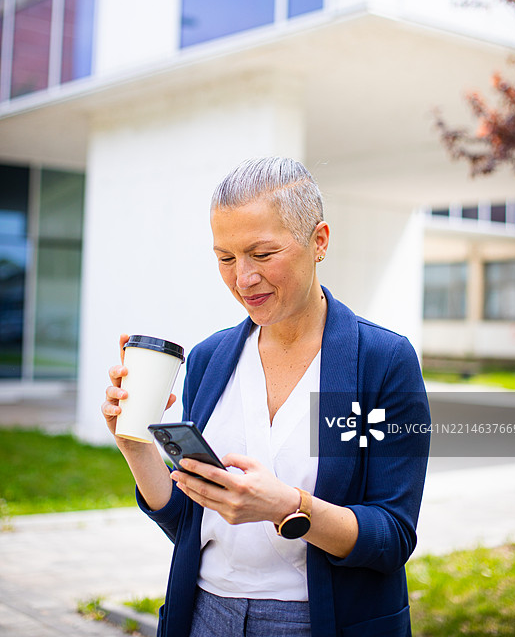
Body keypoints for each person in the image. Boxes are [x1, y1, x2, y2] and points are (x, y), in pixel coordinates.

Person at [102, 157, 430, 637]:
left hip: (319, 622)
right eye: (225, 257)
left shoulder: (384, 360)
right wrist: (136, 447)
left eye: (262, 253)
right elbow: (188, 524)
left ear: (319, 241)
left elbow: (392, 536)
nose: (243, 279)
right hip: (202, 615)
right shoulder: (212, 356)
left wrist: (287, 507)